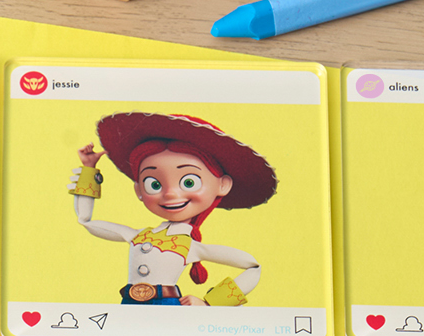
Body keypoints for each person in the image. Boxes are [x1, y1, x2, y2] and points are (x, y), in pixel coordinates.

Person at [67, 113, 274, 305]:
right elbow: (86, 221)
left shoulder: (190, 246)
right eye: (154, 184)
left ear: (223, 185)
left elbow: (253, 267)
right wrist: (88, 170)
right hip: (128, 304)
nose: (170, 194)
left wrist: (210, 303)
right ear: (139, 190)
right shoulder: (138, 236)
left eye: (189, 182)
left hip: (168, 306)